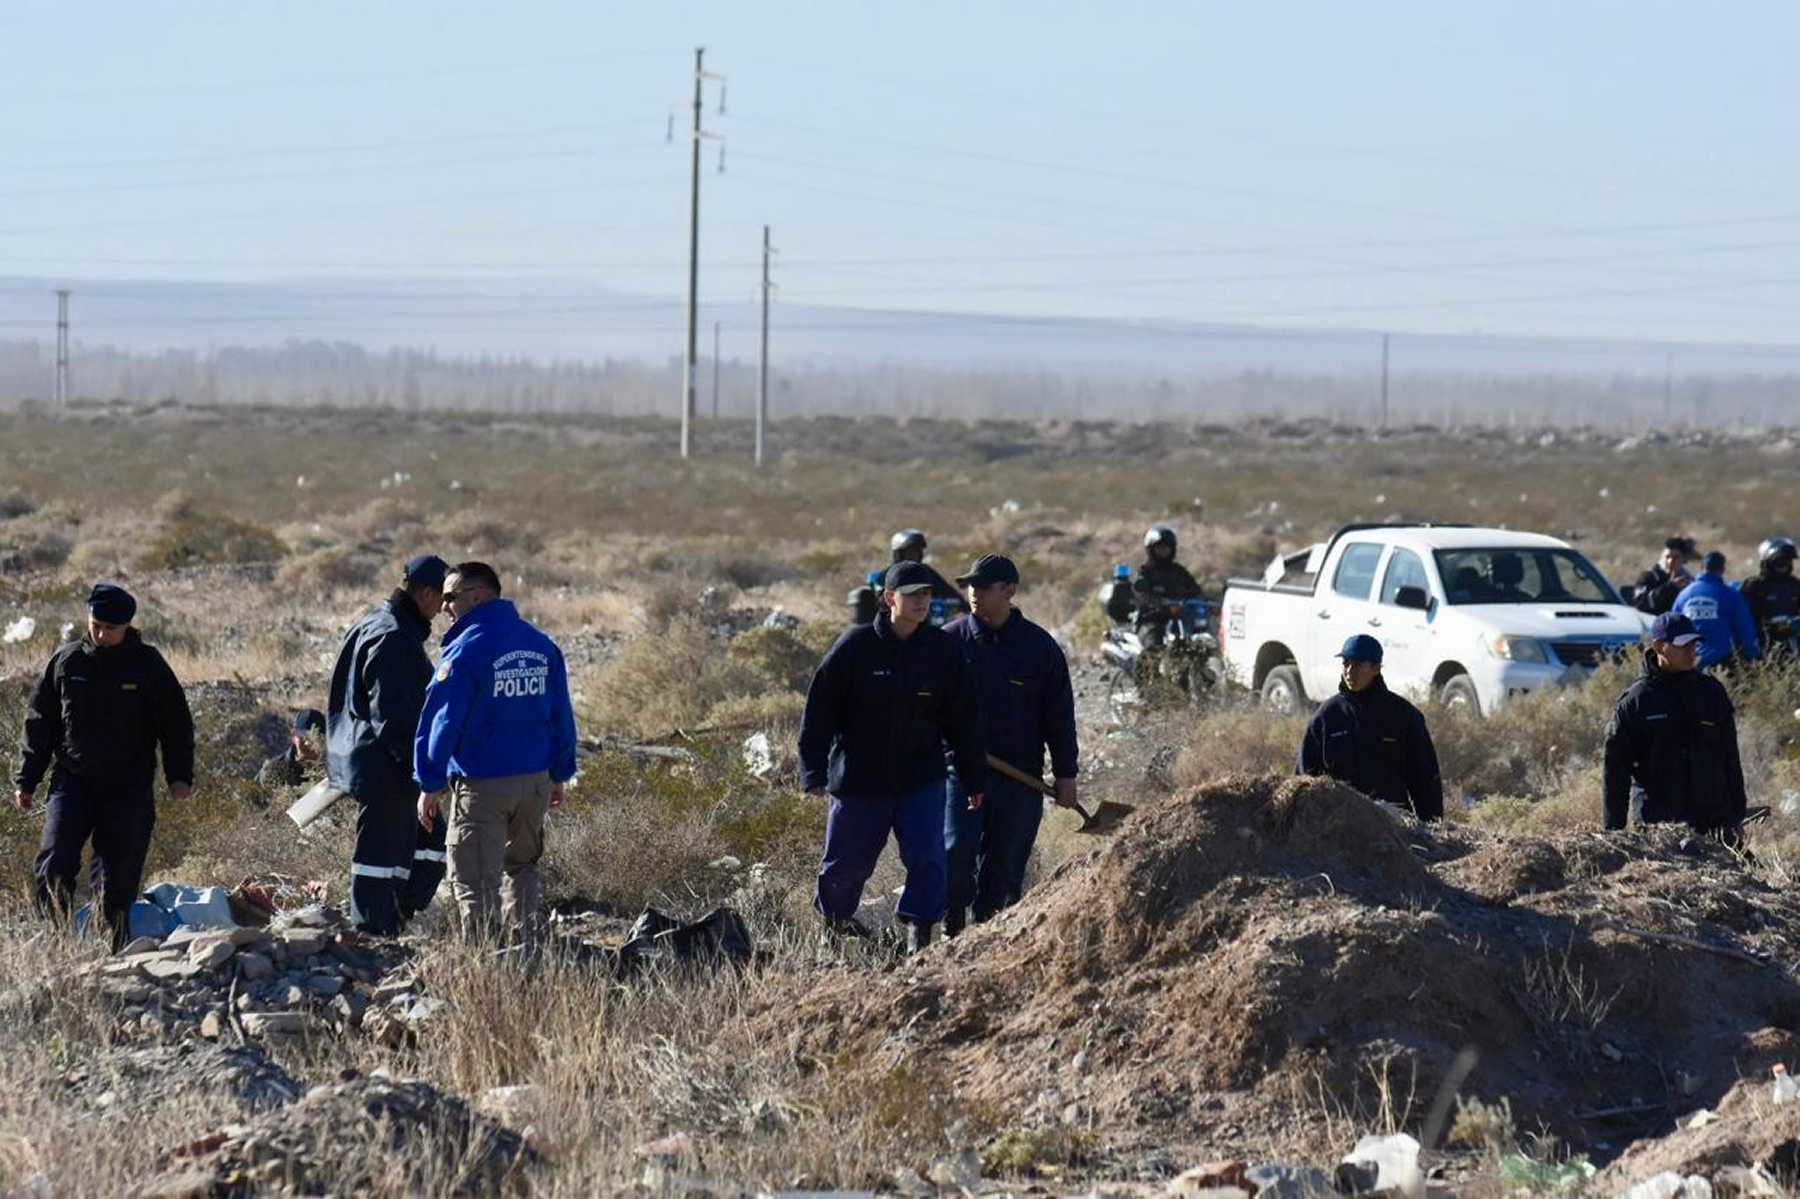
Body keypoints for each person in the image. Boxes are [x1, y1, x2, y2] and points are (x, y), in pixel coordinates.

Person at [798, 559, 986, 953]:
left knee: (929, 862)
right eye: (913, 594)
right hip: (860, 781)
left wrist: (972, 776)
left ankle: (919, 945)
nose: (922, 601)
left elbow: (962, 720)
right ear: (889, 598)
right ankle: (830, 936)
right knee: (845, 867)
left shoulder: (941, 651)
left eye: (927, 593)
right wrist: (812, 770)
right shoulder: (855, 646)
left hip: (921, 780)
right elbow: (819, 712)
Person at [12, 583, 195, 951]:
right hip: (73, 782)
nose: (101, 634)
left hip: (128, 788)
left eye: (111, 628)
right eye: (96, 625)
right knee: (54, 860)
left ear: (127, 626)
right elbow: (40, 722)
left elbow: (175, 723)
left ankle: (112, 950)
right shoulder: (66, 662)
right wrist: (26, 780)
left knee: (116, 878)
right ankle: (54, 944)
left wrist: (179, 776)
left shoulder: (148, 665)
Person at [415, 561, 578, 945]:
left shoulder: (466, 652)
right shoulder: (541, 645)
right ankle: (526, 952)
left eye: (451, 597)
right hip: (535, 783)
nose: (443, 607)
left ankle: (486, 963)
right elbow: (561, 714)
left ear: (477, 596)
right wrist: (560, 772)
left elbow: (442, 721)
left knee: (475, 882)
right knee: (522, 869)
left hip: (483, 786)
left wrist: (430, 782)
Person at [941, 554, 1078, 937]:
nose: (974, 593)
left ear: (1010, 591)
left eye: (984, 587)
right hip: (960, 772)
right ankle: (951, 935)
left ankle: (987, 940)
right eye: (971, 585)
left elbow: (1059, 717)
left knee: (1003, 870)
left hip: (1022, 779)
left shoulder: (1039, 648)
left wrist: (1066, 774)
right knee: (954, 855)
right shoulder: (948, 642)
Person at [327, 555, 450, 935]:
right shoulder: (394, 636)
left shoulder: (377, 624)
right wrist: (424, 771)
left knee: (425, 846)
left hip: (375, 763)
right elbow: (395, 717)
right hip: (387, 768)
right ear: (426, 593)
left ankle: (393, 921)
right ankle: (372, 936)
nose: (446, 608)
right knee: (380, 861)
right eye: (442, 598)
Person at [1603, 612, 1746, 838]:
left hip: (1713, 824)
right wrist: (1614, 833)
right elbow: (1616, 772)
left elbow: (1729, 757)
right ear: (1659, 647)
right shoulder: (1635, 702)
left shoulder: (1711, 693)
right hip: (1659, 830)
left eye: (1694, 643)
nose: (1691, 651)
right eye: (1682, 645)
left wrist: (1737, 816)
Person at [1296, 634, 1442, 821]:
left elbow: (1425, 780)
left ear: (1375, 668)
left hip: (1392, 825)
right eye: (1345, 664)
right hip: (1337, 826)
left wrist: (1431, 831)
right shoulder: (1326, 716)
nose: (1349, 671)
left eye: (1357, 665)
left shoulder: (1404, 716)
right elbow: (1304, 777)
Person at [1674, 551, 1760, 670]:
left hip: (1690, 662)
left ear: (1701, 567)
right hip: (1722, 663)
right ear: (1722, 569)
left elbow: (1673, 629)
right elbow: (1745, 629)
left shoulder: (1683, 595)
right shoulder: (1731, 595)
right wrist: (1753, 655)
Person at [1133, 525, 1203, 646]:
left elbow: (1195, 590)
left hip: (1180, 620)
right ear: (1151, 549)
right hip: (1151, 621)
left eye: (1166, 548)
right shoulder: (1146, 572)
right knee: (1154, 647)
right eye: (1159, 548)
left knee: (1199, 642)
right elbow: (1141, 593)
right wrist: (1160, 602)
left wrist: (1205, 601)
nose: (1163, 551)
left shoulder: (1179, 571)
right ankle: (1150, 665)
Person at [883, 529, 965, 625]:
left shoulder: (926, 572)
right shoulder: (886, 575)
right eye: (909, 553)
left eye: (916, 553)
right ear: (898, 554)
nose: (913, 557)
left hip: (931, 622)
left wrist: (963, 605)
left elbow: (948, 591)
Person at [1741, 537, 1800, 656]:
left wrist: (1792, 624)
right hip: (1763, 646)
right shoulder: (1754, 586)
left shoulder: (1795, 585)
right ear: (1767, 560)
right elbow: (1742, 619)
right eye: (1780, 560)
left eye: (1788, 560)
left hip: (1793, 646)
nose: (1784, 564)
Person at [256, 708, 326, 787]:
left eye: (314, 738)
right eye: (303, 737)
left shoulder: (333, 768)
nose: (307, 743)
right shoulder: (274, 771)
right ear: (293, 736)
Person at [1632, 537, 1695, 617]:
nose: (1670, 561)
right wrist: (1670, 587)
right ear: (1662, 557)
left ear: (1684, 560)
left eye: (1676, 557)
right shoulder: (1649, 577)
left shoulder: (1689, 581)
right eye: (1667, 557)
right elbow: (1640, 603)